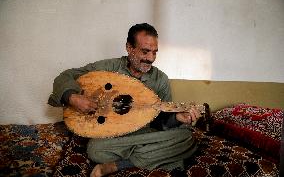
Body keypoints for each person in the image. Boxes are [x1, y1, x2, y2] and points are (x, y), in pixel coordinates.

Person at [48, 23, 201, 177]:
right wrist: (72, 97)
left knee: (186, 137)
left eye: (155, 52)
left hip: (145, 132)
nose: (151, 58)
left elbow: (161, 121)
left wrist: (177, 117)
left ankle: (116, 165)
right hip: (113, 134)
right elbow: (66, 76)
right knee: (95, 150)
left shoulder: (160, 79)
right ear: (129, 48)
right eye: (145, 51)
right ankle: (155, 153)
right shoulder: (109, 67)